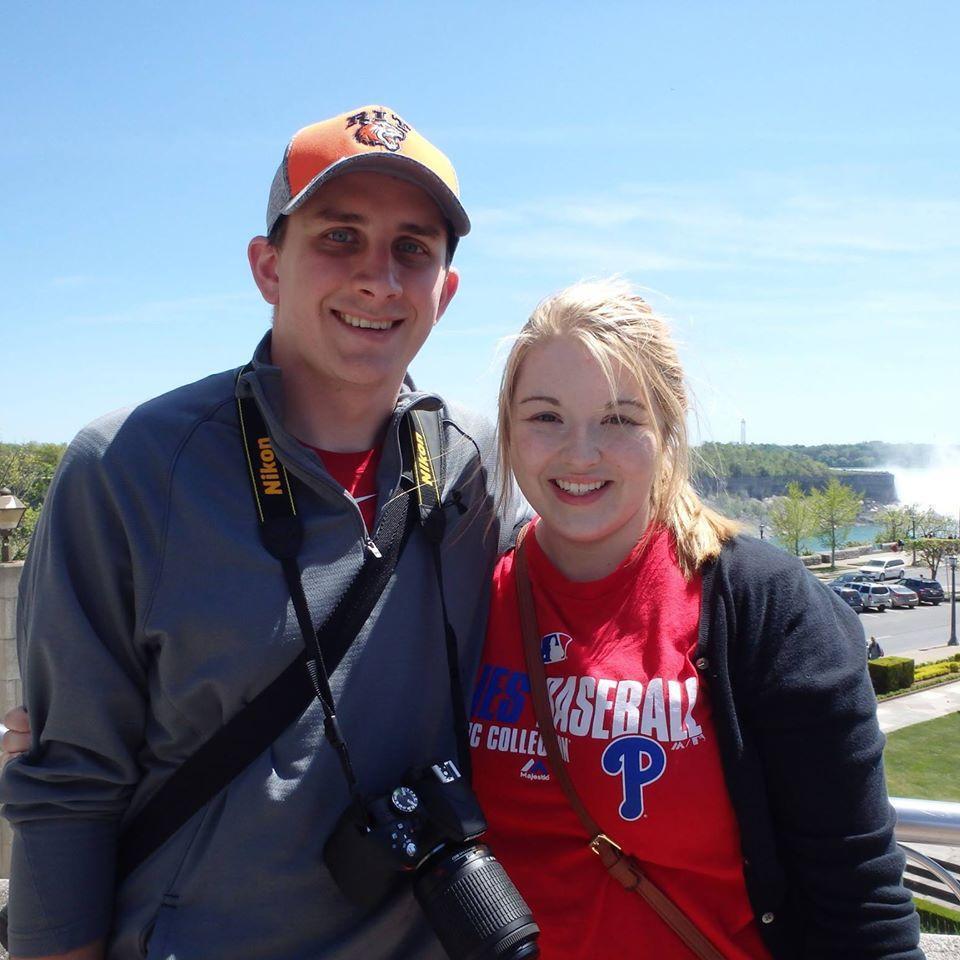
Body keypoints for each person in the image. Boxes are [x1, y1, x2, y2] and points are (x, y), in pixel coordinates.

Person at [0, 106, 520, 960]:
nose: (378, 279)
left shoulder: (484, 467)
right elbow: (68, 788)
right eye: (340, 238)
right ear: (267, 266)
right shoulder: (128, 468)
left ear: (446, 291)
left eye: (412, 250)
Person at [468, 279, 921, 958]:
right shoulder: (470, 592)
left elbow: (860, 899)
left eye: (620, 418)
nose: (580, 452)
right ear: (508, 428)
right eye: (545, 416)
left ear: (667, 425)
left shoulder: (762, 604)